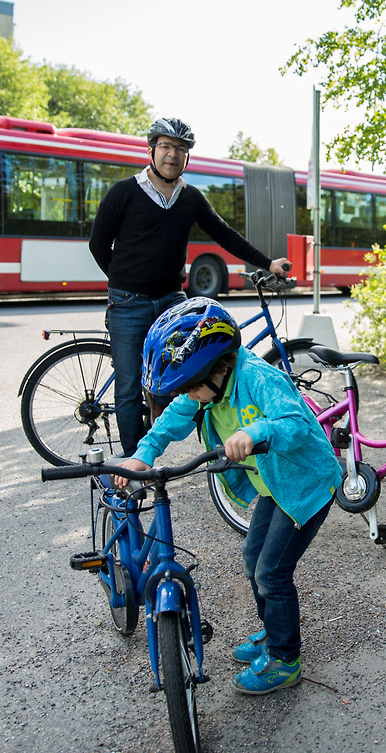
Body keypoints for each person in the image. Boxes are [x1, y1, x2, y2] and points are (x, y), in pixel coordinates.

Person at [116, 297, 337, 694]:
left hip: (304, 486)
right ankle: (272, 633)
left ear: (217, 368)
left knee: (271, 571)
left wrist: (255, 433)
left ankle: (286, 660)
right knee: (253, 559)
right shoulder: (206, 387)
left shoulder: (258, 378)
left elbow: (295, 423)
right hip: (276, 486)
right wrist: (143, 455)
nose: (190, 397)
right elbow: (173, 420)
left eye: (191, 388)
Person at [88, 117, 291, 457]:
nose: (173, 154)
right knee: (126, 388)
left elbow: (225, 235)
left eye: (180, 149)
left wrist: (268, 263)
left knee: (184, 374)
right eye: (166, 146)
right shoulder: (124, 192)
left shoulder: (190, 197)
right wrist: (124, 282)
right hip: (129, 303)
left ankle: (161, 442)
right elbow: (98, 244)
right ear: (152, 149)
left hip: (172, 301)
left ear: (187, 157)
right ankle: (135, 462)